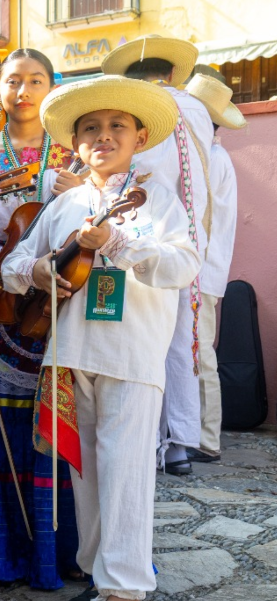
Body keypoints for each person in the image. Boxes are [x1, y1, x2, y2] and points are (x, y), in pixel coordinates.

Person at [3, 75, 200, 601]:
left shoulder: (156, 200)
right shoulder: (64, 204)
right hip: (70, 353)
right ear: (75, 142)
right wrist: (41, 271)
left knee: (127, 472)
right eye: (91, 128)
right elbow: (17, 264)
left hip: (132, 353)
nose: (104, 136)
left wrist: (118, 242)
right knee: (85, 471)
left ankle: (128, 591)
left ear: (140, 137)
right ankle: (98, 577)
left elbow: (182, 265)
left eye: (117, 126)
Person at [0, 48, 80, 589]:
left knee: (53, 424)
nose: (23, 91)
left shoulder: (75, 155)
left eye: (36, 80)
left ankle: (61, 553)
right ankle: (1, 551)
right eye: (13, 82)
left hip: (60, 302)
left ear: (52, 87)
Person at [101, 35, 212, 477]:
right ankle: (180, 442)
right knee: (181, 338)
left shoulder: (144, 116)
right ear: (169, 75)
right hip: (188, 236)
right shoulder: (198, 110)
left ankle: (146, 439)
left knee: (141, 336)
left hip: (138, 231)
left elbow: (132, 173)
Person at [180, 72, 245, 462]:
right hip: (202, 271)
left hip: (201, 273)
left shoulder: (213, 160)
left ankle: (207, 438)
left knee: (201, 353)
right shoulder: (212, 157)